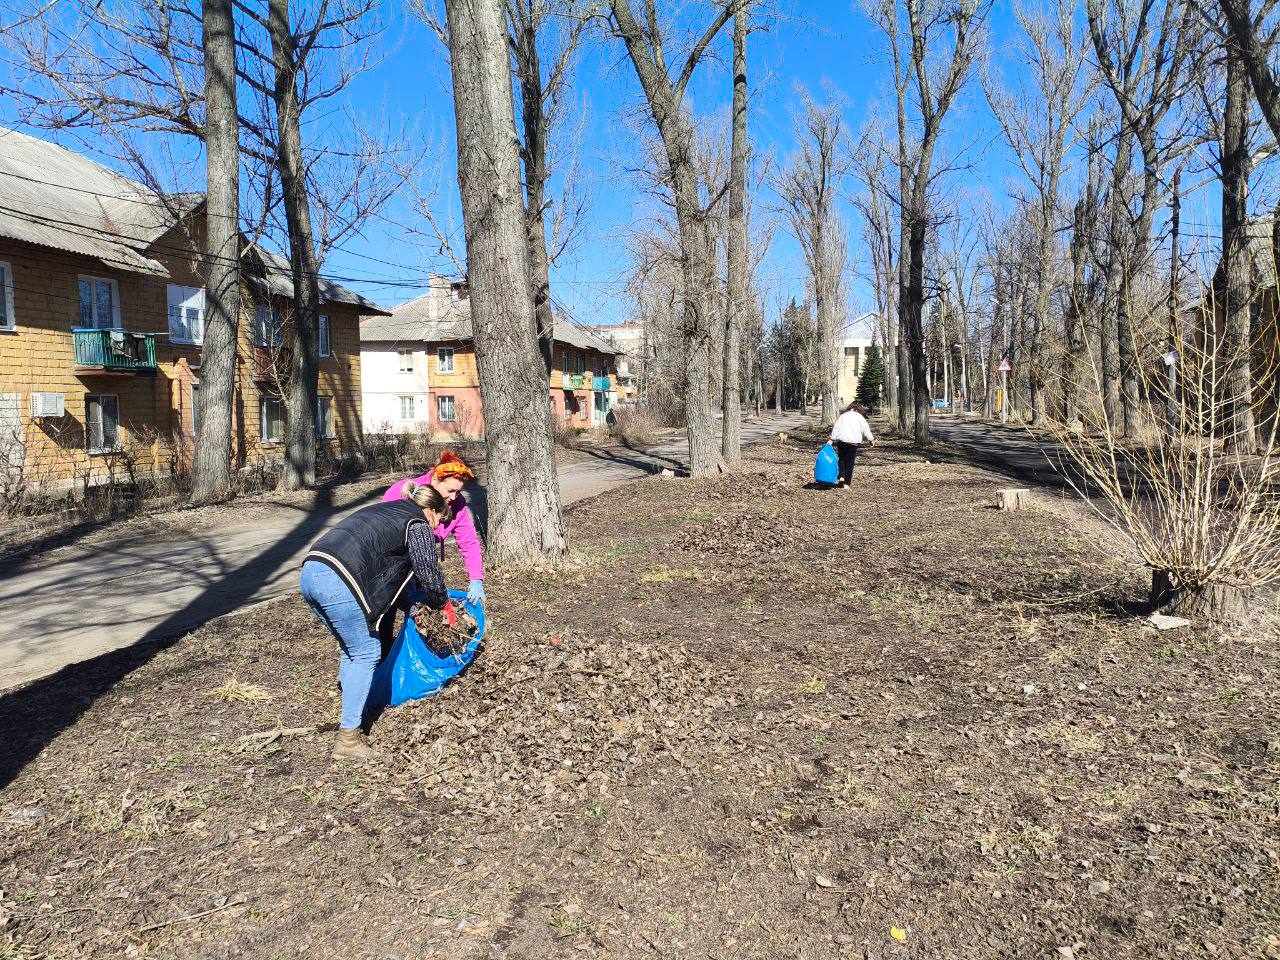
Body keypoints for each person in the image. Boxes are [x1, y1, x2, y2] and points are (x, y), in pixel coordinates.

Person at [301, 481, 450, 760]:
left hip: (311, 570)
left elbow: (393, 574)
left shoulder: (389, 511)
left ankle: (357, 709)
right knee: (366, 651)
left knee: (352, 650)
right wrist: (442, 603)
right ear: (431, 511)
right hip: (337, 578)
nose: (435, 529)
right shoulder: (416, 523)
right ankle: (347, 741)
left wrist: (411, 602)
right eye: (438, 521)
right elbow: (428, 572)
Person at [383, 451, 485, 607]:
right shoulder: (403, 493)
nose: (454, 497)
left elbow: (468, 542)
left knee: (421, 607)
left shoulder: (457, 504)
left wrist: (476, 578)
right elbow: (384, 534)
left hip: (421, 560)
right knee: (388, 610)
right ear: (436, 480)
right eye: (450, 490)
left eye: (459, 491)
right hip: (392, 561)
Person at [830, 401, 875, 488]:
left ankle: (842, 476)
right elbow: (866, 429)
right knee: (850, 462)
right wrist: (871, 439)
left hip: (841, 441)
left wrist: (832, 439)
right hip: (853, 442)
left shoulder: (843, 416)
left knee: (842, 459)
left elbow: (836, 427)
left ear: (849, 408)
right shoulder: (860, 417)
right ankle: (847, 483)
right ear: (859, 409)